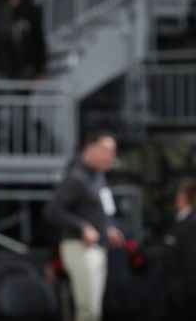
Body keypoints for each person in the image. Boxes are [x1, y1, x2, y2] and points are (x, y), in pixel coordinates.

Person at [44, 130, 126, 321]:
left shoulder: (98, 176)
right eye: (106, 150)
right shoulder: (77, 176)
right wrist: (82, 227)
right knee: (88, 308)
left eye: (113, 151)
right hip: (80, 247)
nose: (110, 156)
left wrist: (109, 228)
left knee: (93, 307)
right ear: (89, 149)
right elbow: (52, 210)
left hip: (97, 248)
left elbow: (98, 210)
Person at [0, 0, 47, 79]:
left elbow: (38, 39)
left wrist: (40, 69)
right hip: (1, 66)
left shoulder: (30, 8)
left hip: (26, 65)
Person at [162, 177, 196, 320]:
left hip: (184, 296)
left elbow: (191, 263)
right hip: (176, 292)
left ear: (182, 196)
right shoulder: (182, 221)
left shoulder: (192, 223)